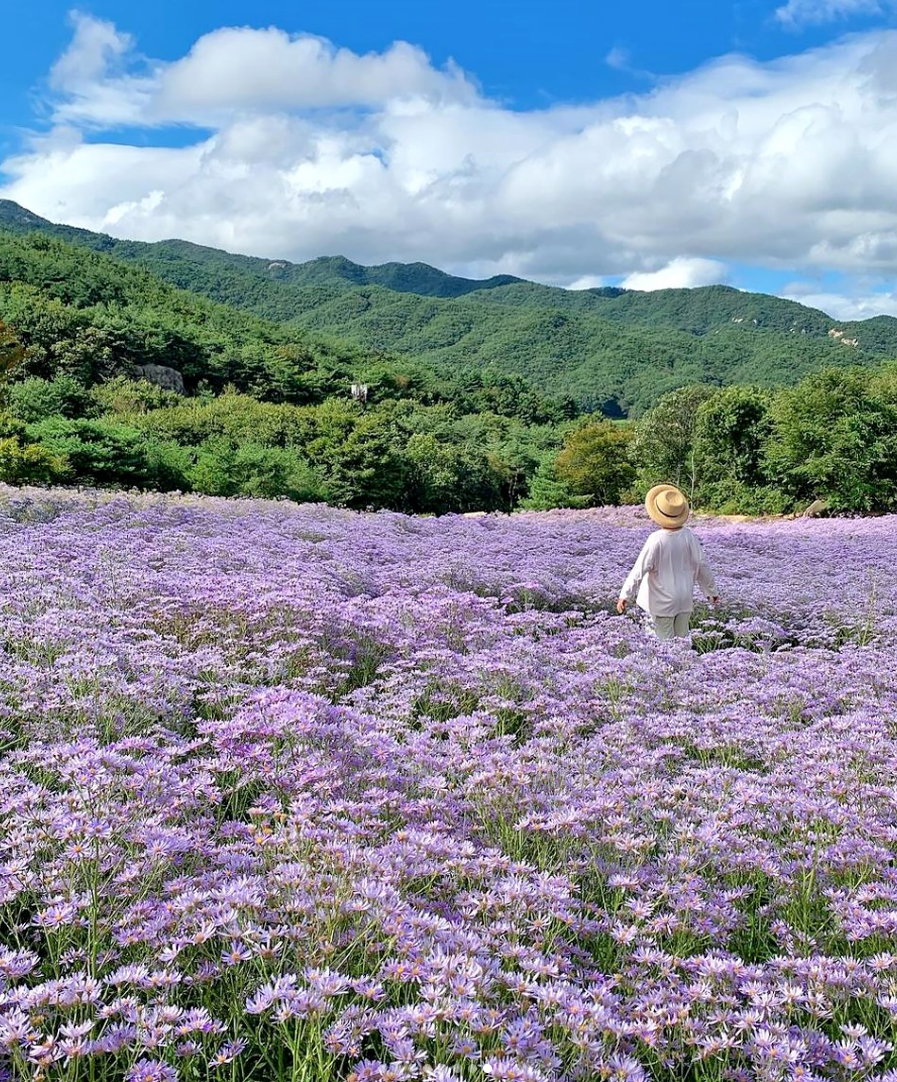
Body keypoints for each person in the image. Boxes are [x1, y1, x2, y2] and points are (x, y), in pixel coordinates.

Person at [616, 483, 719, 640]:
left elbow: (639, 569)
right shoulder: (689, 536)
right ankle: (688, 665)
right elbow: (701, 563)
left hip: (661, 601)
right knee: (683, 641)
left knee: (663, 647)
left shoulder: (656, 539)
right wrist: (711, 591)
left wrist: (625, 594)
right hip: (684, 598)